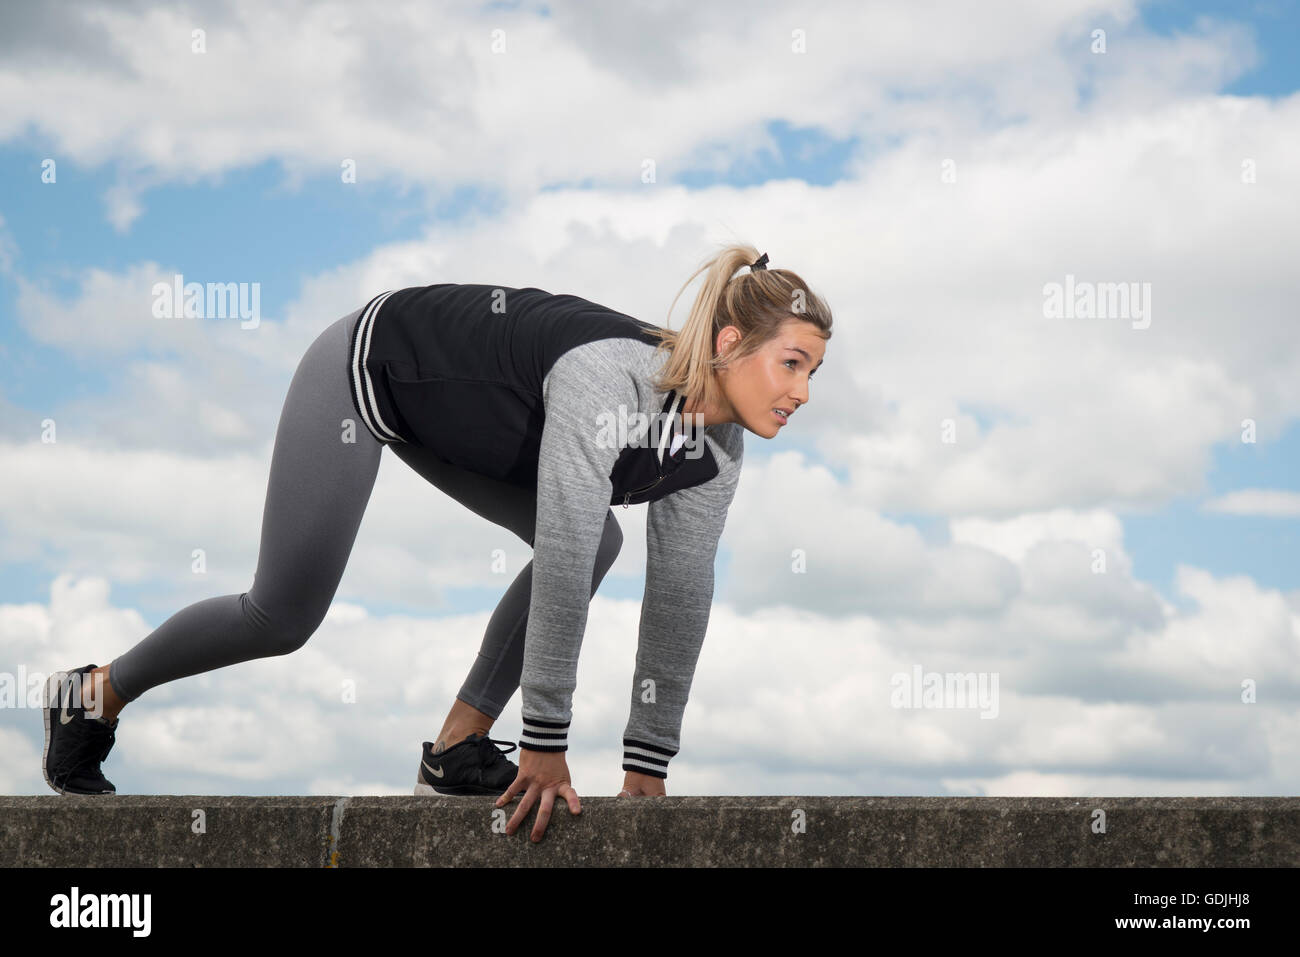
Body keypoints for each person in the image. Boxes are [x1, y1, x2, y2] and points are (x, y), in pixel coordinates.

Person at [41, 242, 832, 842]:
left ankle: (456, 748)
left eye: (814, 373)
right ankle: (93, 693)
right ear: (729, 343)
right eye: (790, 364)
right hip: (372, 372)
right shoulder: (611, 381)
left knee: (597, 541)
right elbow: (556, 554)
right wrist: (546, 745)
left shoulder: (718, 449)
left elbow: (681, 596)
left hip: (484, 427)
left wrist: (646, 766)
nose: (801, 392)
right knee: (280, 615)